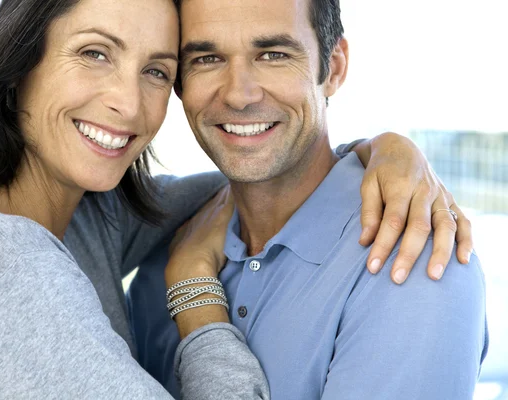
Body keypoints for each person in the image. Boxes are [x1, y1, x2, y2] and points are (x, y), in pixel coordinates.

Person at [0, 0, 474, 399]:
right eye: (95, 54)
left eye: (155, 69)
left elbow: (257, 180)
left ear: (334, 66)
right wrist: (191, 289)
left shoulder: (85, 216)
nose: (128, 104)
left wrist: (387, 152)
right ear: (15, 68)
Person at [127, 0, 489, 399]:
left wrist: (192, 293)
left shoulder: (416, 259)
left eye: (273, 55)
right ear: (179, 83)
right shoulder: (162, 258)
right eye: (207, 58)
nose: (239, 94)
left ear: (333, 68)